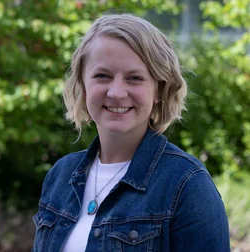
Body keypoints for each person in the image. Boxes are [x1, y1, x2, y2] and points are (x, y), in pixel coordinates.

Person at [32, 14, 230, 252]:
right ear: (82, 85)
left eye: (134, 78)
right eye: (102, 76)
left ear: (159, 90)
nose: (116, 92)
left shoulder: (186, 185)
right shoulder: (60, 176)